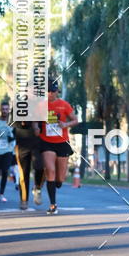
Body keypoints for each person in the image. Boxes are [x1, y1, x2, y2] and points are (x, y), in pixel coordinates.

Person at [39, 79, 78, 214]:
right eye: (48, 91)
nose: (50, 94)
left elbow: (75, 120)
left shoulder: (64, 105)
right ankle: (53, 204)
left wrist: (65, 125)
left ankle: (57, 182)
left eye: (52, 91)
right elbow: (33, 121)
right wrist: (35, 128)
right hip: (46, 141)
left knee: (60, 179)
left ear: (57, 92)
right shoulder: (41, 106)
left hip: (62, 142)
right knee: (50, 170)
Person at [14, 121, 44, 211]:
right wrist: (21, 123)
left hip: (38, 143)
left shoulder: (40, 107)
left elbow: (46, 122)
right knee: (24, 173)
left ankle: (37, 187)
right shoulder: (18, 107)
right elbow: (11, 123)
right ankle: (24, 200)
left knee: (40, 167)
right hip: (22, 144)